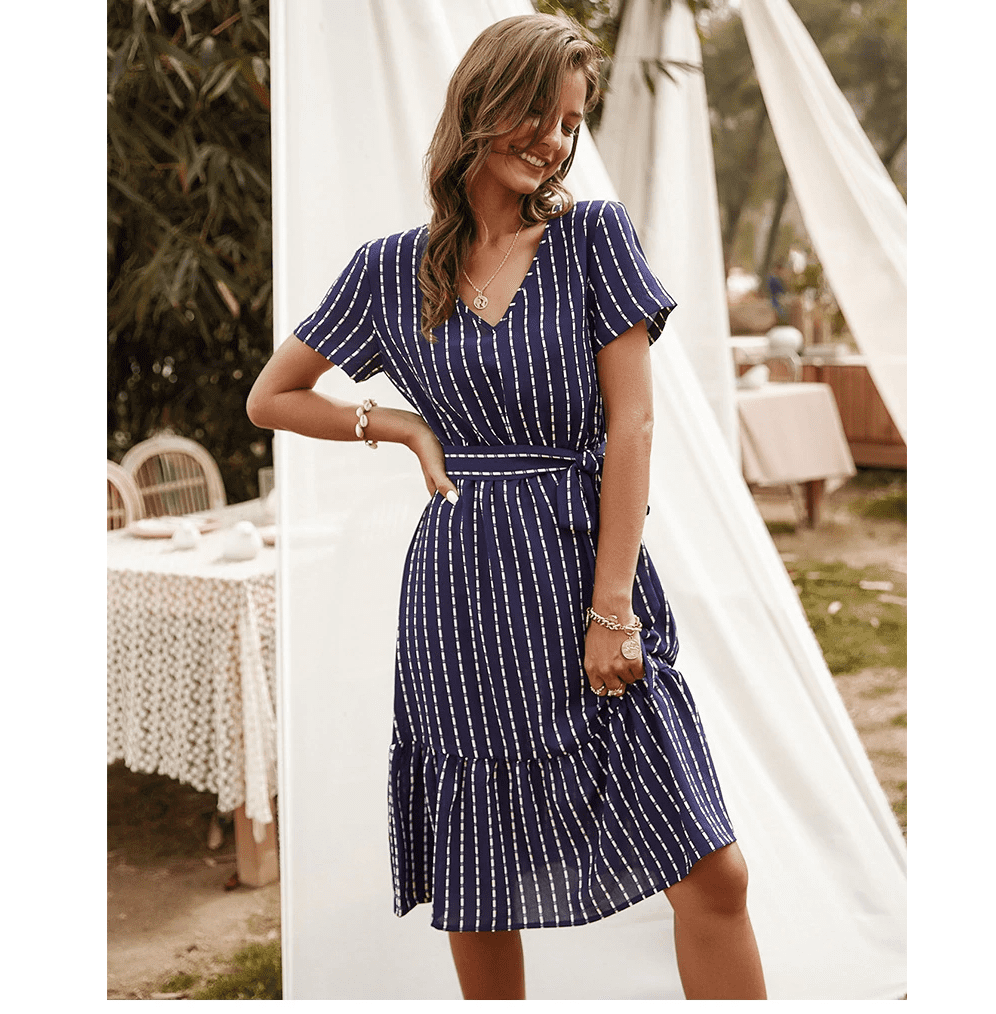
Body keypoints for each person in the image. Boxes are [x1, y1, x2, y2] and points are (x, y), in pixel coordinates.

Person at [247, 13, 766, 1001]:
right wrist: (400, 426)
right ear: (482, 106)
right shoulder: (389, 270)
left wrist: (611, 607)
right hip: (462, 592)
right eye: (541, 113)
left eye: (572, 122)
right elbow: (271, 397)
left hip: (579, 572)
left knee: (713, 873)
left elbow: (632, 428)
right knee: (479, 885)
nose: (556, 140)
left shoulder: (592, 240)